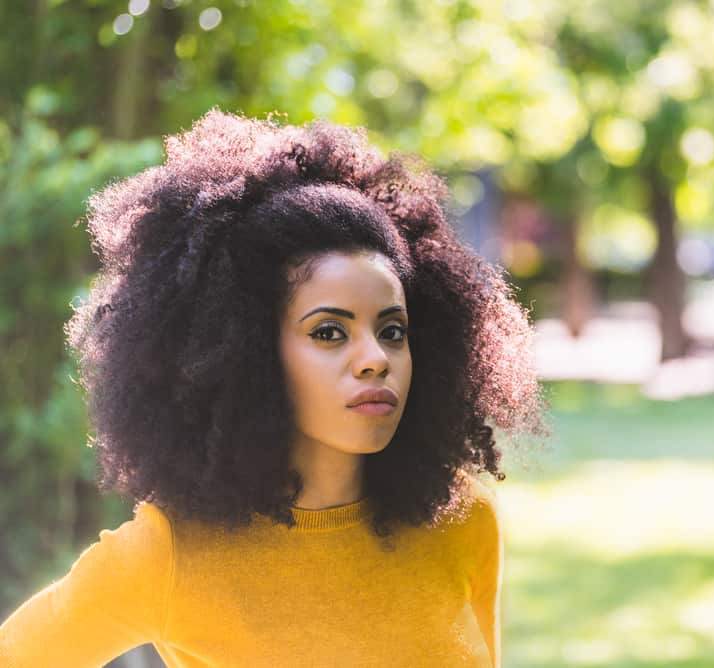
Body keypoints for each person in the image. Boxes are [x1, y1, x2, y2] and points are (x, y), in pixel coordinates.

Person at [0, 109, 550, 667]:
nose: (375, 360)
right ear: (248, 353)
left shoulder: (463, 521)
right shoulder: (172, 554)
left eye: (392, 331)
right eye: (329, 332)